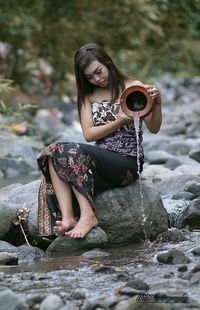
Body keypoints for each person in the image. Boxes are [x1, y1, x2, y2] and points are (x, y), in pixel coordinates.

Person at [37, 43, 162, 239]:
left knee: (67, 150)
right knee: (53, 151)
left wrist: (157, 104)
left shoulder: (133, 87)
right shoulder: (88, 95)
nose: (97, 79)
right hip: (99, 162)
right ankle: (68, 217)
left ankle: (88, 216)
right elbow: (89, 134)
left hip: (127, 161)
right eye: (89, 77)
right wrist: (119, 120)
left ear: (108, 63)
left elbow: (154, 128)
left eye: (98, 72)